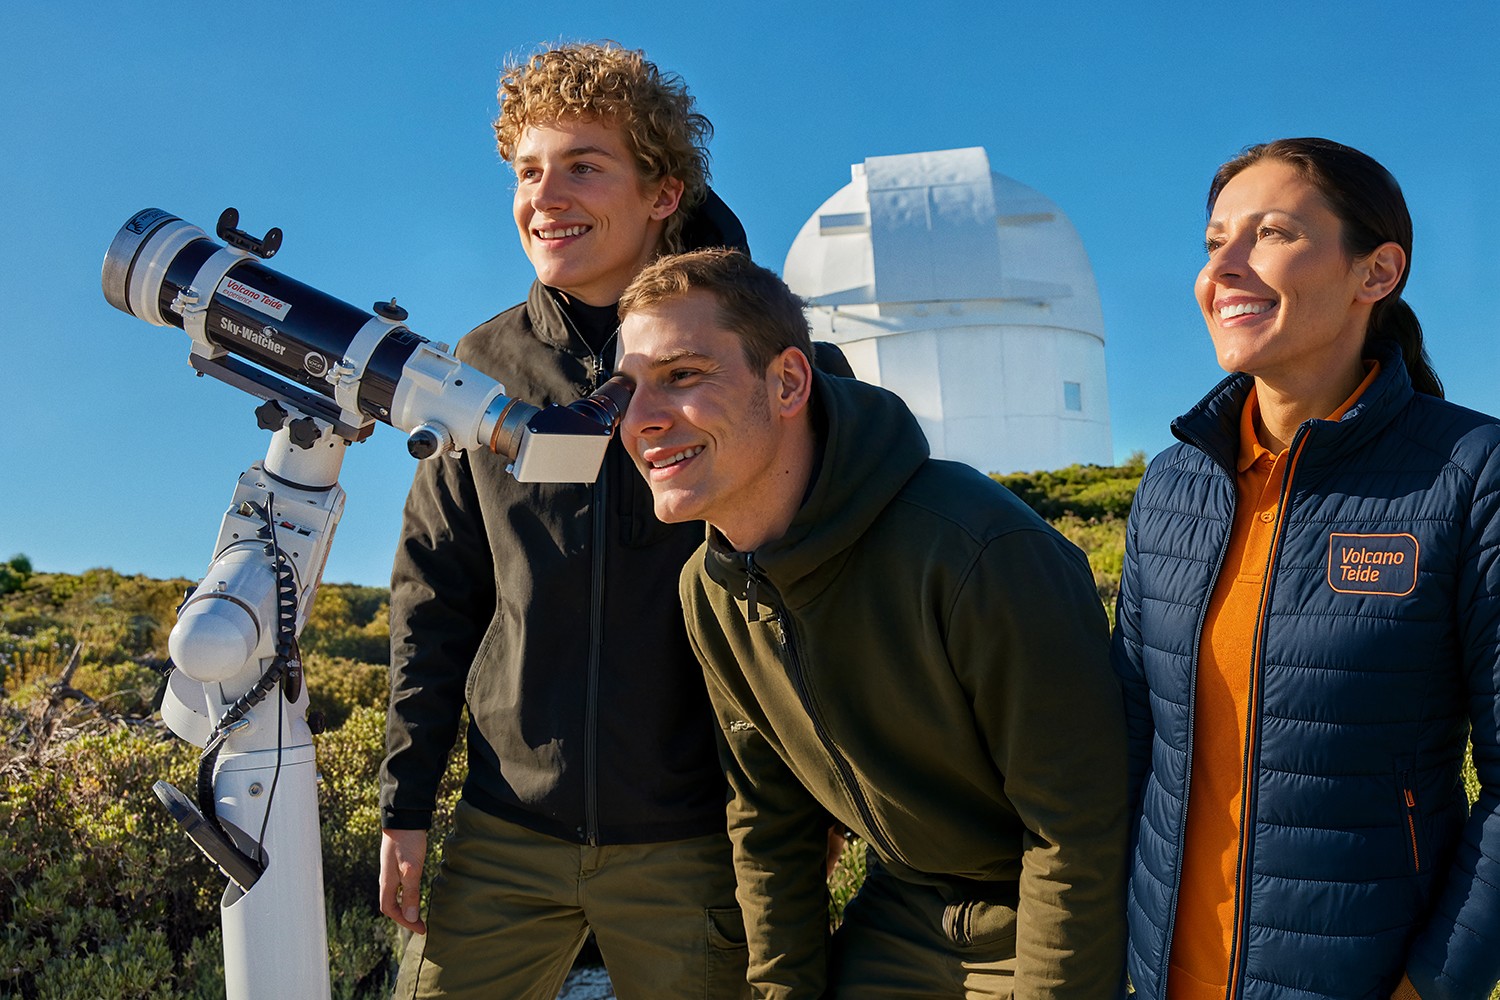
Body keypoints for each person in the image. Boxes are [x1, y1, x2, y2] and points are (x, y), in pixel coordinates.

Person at [614, 248, 1129, 999]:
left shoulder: (977, 549)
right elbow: (768, 819)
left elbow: (1077, 833)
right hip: (906, 912)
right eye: (626, 390)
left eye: (683, 375)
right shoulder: (711, 585)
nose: (642, 419)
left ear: (788, 381)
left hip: (1044, 914)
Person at [378, 42, 752, 999]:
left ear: (663, 193)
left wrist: (796, 816)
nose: (546, 197)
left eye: (585, 166)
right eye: (529, 171)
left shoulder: (747, 356)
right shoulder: (479, 366)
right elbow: (436, 596)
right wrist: (405, 802)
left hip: (692, 838)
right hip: (508, 836)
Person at [1113, 137, 1500, 1000]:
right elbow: (1133, 749)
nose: (1228, 269)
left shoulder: (1471, 473)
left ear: (1377, 272)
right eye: (1216, 243)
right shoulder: (1173, 484)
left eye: (1274, 233)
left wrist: (1432, 989)